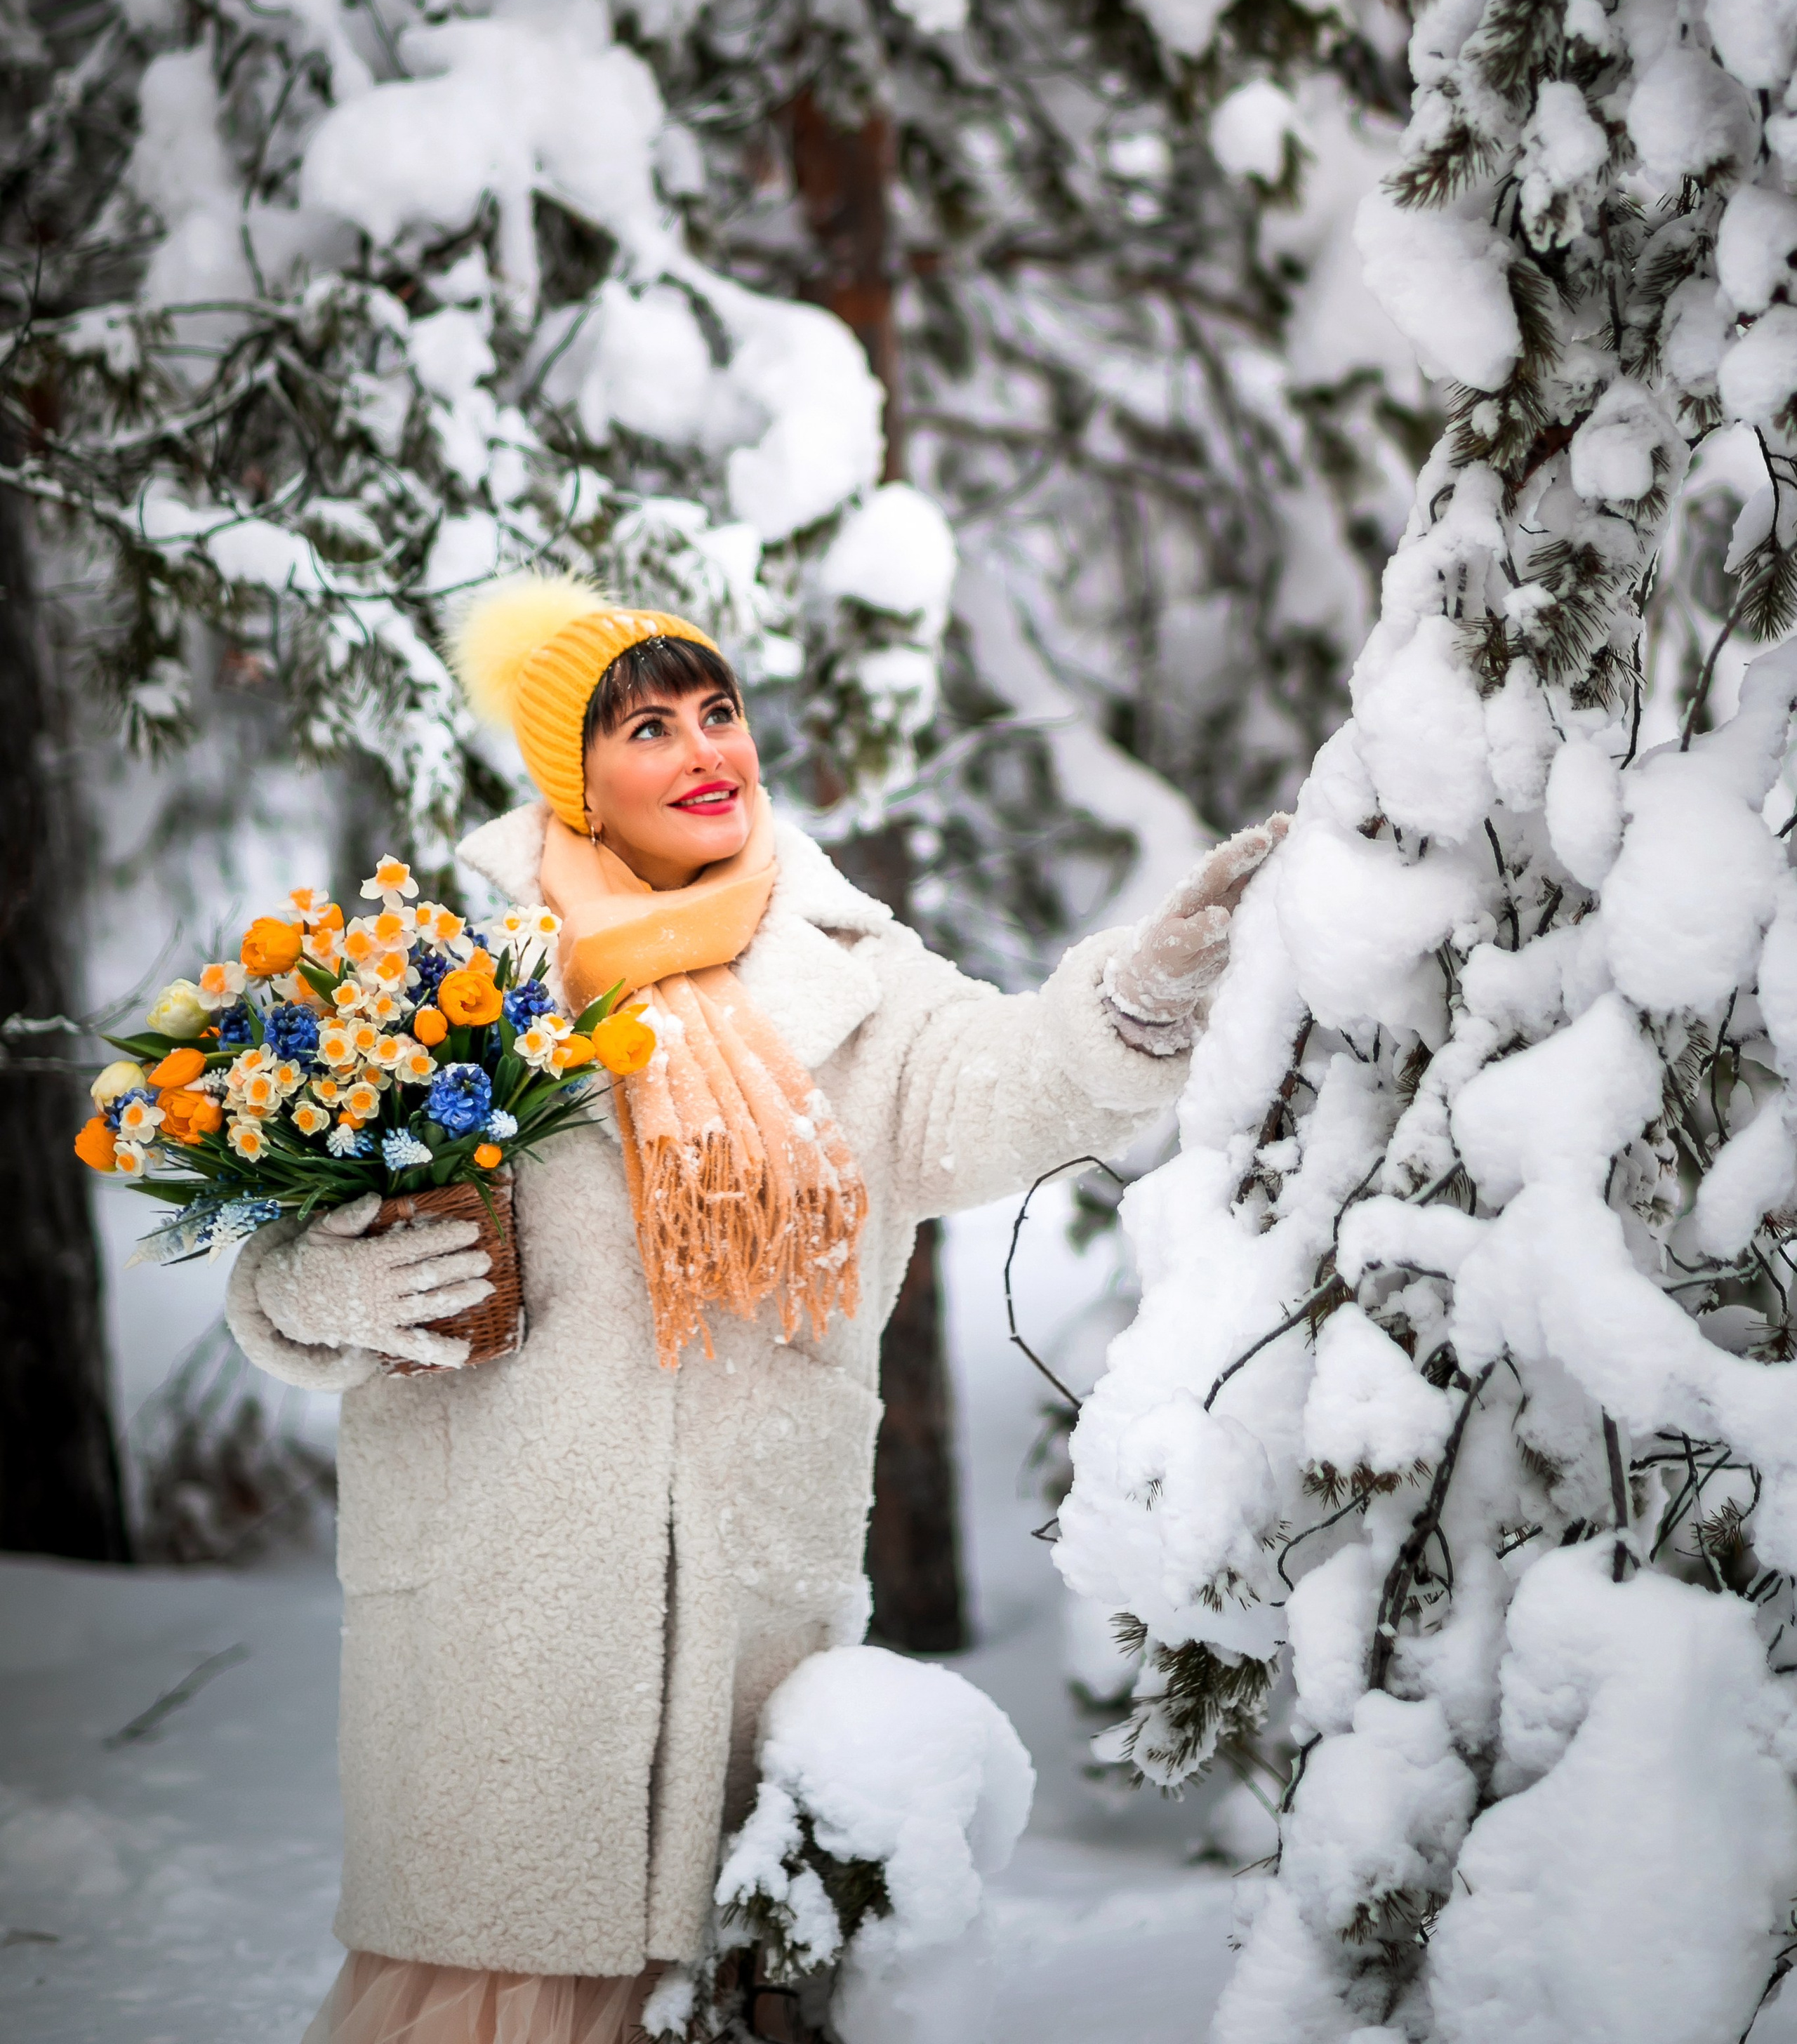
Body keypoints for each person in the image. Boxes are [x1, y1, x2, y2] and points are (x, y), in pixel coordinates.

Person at [226, 574, 1284, 2044]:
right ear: (573, 782)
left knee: (730, 1994)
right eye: (647, 726)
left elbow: (1001, 1082)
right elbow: (277, 1250)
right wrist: (322, 1286)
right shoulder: (452, 985)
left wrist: (1136, 1002)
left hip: (740, 1614)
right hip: (496, 1630)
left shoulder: (853, 982)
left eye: (714, 711)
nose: (703, 748)